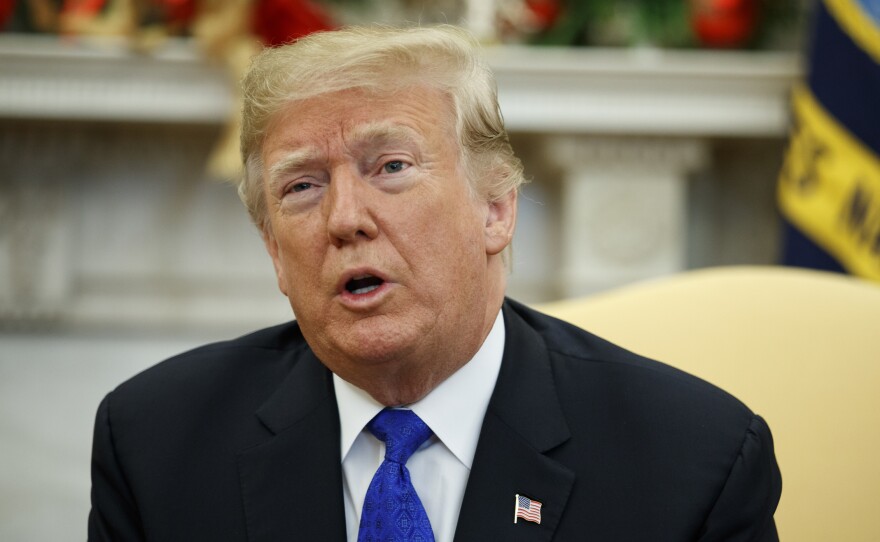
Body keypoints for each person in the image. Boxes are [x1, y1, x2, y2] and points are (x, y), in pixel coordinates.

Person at [88, 25, 781, 542]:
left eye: (391, 166)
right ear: (274, 250)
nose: (345, 219)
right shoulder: (157, 443)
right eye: (302, 186)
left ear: (496, 208)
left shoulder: (692, 461)